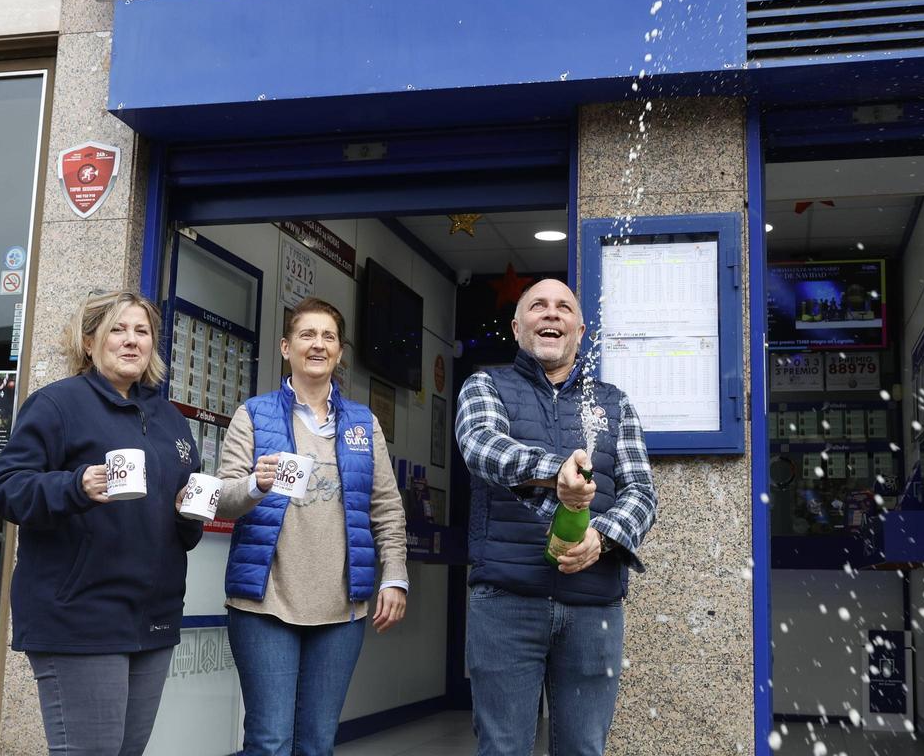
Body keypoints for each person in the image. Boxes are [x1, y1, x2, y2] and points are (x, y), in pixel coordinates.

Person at [0, 290, 203, 756]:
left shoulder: (171, 419)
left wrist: (190, 513)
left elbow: (184, 529)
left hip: (153, 619)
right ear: (89, 342)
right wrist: (75, 487)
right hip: (80, 619)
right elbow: (5, 489)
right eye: (117, 330)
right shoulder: (58, 405)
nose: (131, 341)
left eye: (141, 332)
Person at [455, 278, 657, 756]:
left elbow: (642, 492)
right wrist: (555, 471)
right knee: (503, 748)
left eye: (563, 307)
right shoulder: (487, 385)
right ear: (517, 326)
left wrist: (601, 538)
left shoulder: (613, 402)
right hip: (506, 601)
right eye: (538, 306)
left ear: (580, 329)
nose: (551, 314)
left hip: (594, 606)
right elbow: (481, 446)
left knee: (583, 749)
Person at [216, 296, 408, 756]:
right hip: (266, 603)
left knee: (318, 743)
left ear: (340, 353)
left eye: (328, 337)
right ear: (286, 347)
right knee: (269, 739)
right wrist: (255, 484)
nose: (318, 345)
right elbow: (222, 498)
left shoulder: (363, 424)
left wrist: (395, 575)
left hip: (342, 610)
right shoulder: (253, 415)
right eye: (307, 335)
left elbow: (386, 506)